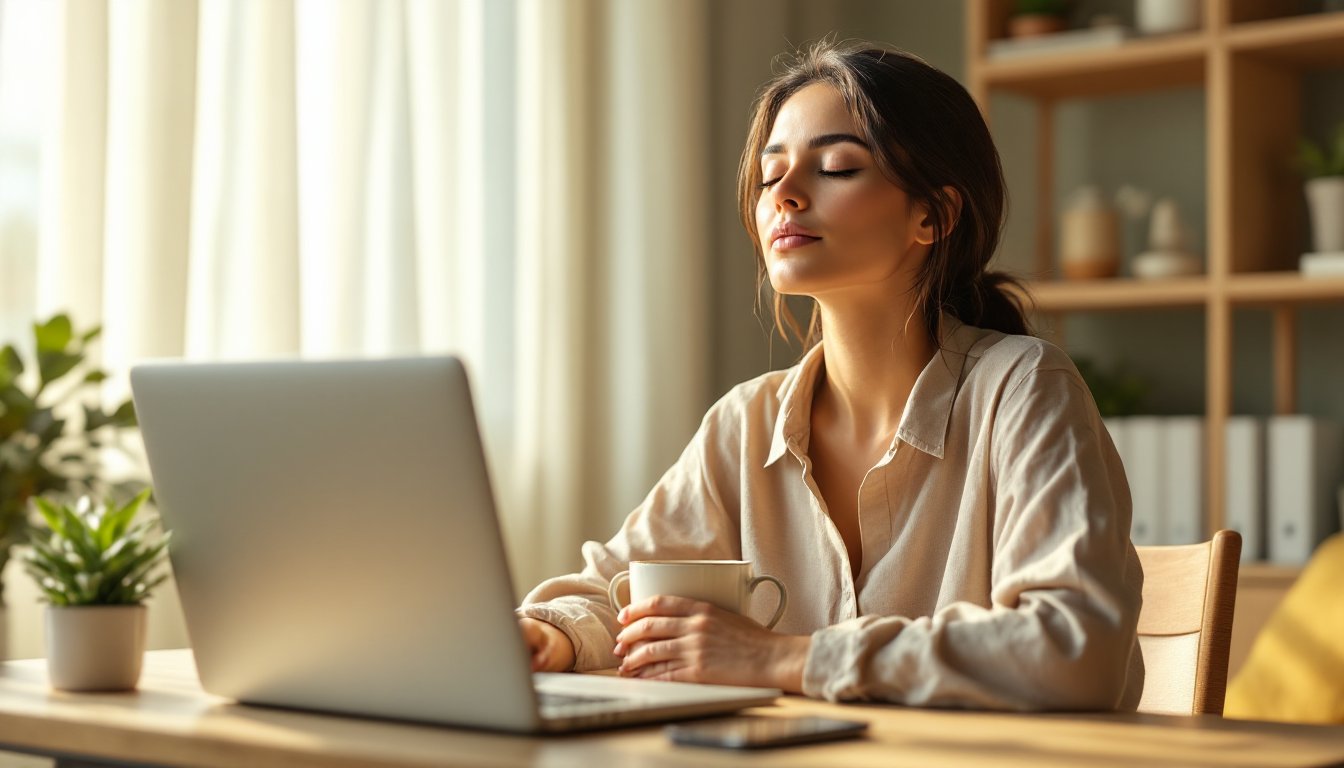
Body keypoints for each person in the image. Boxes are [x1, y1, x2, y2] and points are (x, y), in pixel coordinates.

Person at [515, 40, 1144, 710]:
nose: (784, 194)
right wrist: (547, 635)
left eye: (837, 167)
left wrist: (780, 656)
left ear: (933, 216)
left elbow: (1075, 650)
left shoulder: (1022, 387)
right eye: (770, 174)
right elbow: (614, 587)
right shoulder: (745, 423)